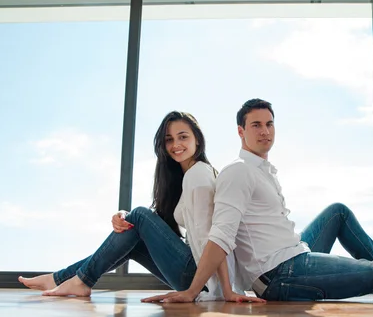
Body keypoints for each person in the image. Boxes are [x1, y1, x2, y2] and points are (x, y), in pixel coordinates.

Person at [142, 99, 373, 304]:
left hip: (295, 254)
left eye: (269, 123)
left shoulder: (263, 170)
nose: (265, 131)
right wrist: (195, 291)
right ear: (240, 132)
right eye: (255, 125)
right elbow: (219, 235)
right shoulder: (238, 172)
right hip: (281, 274)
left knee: (338, 213)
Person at [19, 111, 264, 303]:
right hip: (198, 275)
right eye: (169, 139)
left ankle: (77, 280)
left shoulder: (198, 175)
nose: (175, 144)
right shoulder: (187, 176)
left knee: (138, 216)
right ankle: (62, 279)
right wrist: (125, 217)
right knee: (133, 228)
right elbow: (156, 226)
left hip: (199, 277)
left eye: (183, 137)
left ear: (198, 141)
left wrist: (222, 290)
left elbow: (215, 235)